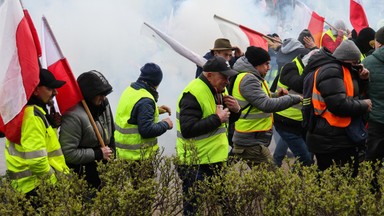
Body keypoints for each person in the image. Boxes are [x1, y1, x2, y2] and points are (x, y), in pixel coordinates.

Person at [176, 56, 241, 215]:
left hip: (215, 159)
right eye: (224, 76)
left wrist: (236, 110)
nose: (227, 81)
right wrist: (216, 119)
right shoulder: (193, 93)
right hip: (195, 162)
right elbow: (188, 129)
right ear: (209, 74)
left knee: (227, 205)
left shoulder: (219, 89)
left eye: (228, 76)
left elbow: (226, 120)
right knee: (193, 209)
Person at [305, 40, 371, 175]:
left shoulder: (341, 69)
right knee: (335, 181)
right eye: (355, 63)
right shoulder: (332, 71)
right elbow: (339, 104)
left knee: (338, 180)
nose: (358, 66)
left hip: (335, 135)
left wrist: (363, 80)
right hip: (330, 137)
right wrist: (364, 105)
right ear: (348, 59)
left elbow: (351, 94)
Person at [231, 46, 302, 167]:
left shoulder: (252, 76)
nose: (269, 68)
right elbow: (266, 104)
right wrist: (293, 98)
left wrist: (275, 95)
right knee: (274, 183)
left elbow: (259, 99)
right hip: (250, 141)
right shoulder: (249, 79)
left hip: (253, 139)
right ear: (256, 64)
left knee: (265, 182)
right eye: (266, 64)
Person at [5, 69, 69, 196]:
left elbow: (43, 144)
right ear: (35, 90)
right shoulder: (33, 116)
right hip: (36, 187)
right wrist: (54, 184)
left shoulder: (34, 112)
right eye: (50, 88)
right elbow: (37, 160)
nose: (55, 92)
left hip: (32, 186)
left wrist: (54, 126)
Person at [59, 70, 115, 189]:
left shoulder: (103, 103)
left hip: (105, 174)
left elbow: (111, 133)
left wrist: (112, 155)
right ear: (89, 94)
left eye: (105, 93)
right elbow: (68, 153)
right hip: (84, 179)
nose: (104, 97)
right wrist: (97, 154)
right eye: (100, 93)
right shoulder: (73, 116)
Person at [114, 63, 173, 161]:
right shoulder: (146, 100)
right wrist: (165, 124)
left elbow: (133, 113)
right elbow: (146, 130)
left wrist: (156, 110)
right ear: (156, 82)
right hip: (138, 157)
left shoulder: (130, 90)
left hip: (123, 154)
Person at [272, 50, 319, 167]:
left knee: (307, 157)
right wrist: (310, 67)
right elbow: (300, 85)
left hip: (301, 122)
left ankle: (293, 179)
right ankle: (275, 167)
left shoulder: (311, 71)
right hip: (285, 121)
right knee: (306, 159)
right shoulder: (290, 68)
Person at [363, 26, 384, 163]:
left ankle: (374, 185)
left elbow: (360, 90)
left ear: (379, 42)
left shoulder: (367, 63)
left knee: (373, 162)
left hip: (376, 120)